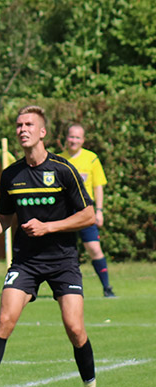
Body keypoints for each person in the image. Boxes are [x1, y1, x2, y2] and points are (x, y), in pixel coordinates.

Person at [0, 106, 102, 387]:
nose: (22, 129)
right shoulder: (11, 174)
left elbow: (87, 215)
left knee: (75, 328)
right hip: (26, 262)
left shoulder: (63, 170)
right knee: (4, 320)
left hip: (62, 261)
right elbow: (3, 218)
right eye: (18, 125)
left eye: (29, 124)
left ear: (43, 132)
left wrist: (49, 227)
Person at [61, 123, 115, 298]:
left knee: (93, 248)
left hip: (85, 211)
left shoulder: (91, 158)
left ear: (83, 140)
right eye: (71, 136)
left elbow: (98, 186)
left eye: (77, 137)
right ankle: (60, 289)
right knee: (60, 251)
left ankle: (107, 288)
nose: (74, 140)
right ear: (66, 138)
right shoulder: (58, 159)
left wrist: (99, 211)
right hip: (64, 212)